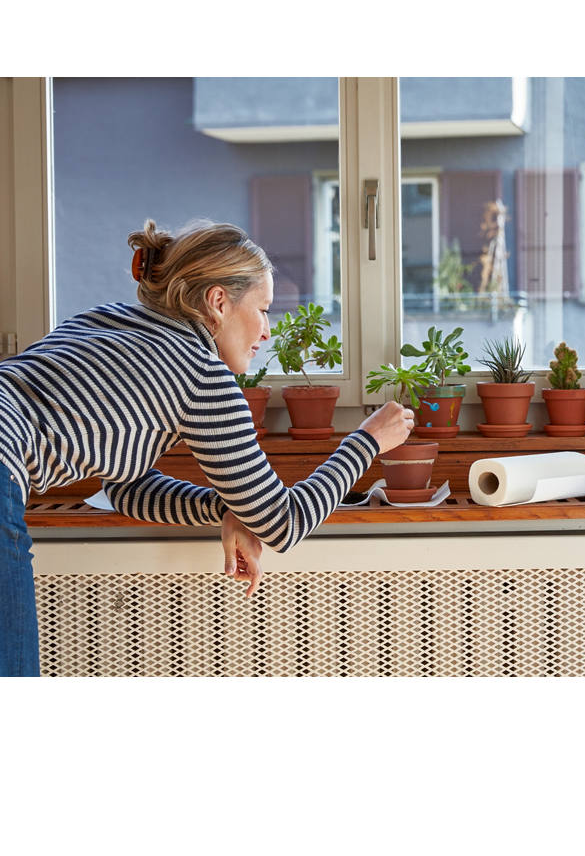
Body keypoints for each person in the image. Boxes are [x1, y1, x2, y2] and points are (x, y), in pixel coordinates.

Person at [0, 219, 415, 677]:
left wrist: (230, 508)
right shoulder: (202, 373)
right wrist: (367, 441)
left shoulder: (106, 319)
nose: (267, 332)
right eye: (263, 310)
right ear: (218, 302)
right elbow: (284, 524)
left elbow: (124, 488)